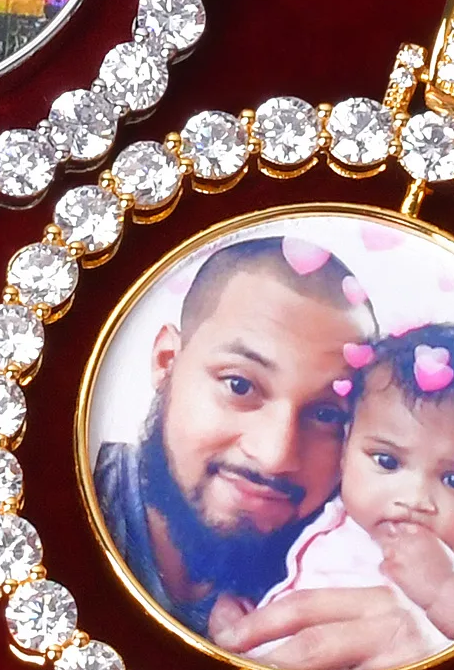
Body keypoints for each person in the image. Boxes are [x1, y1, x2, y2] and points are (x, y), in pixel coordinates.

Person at [91, 235, 374, 639]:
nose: (276, 456)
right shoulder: (55, 502)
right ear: (167, 361)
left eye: (327, 414)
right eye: (240, 385)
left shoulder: (351, 571)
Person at [219, 323, 454, 668]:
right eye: (387, 461)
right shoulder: (322, 511)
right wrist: (247, 624)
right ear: (346, 446)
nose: (415, 499)